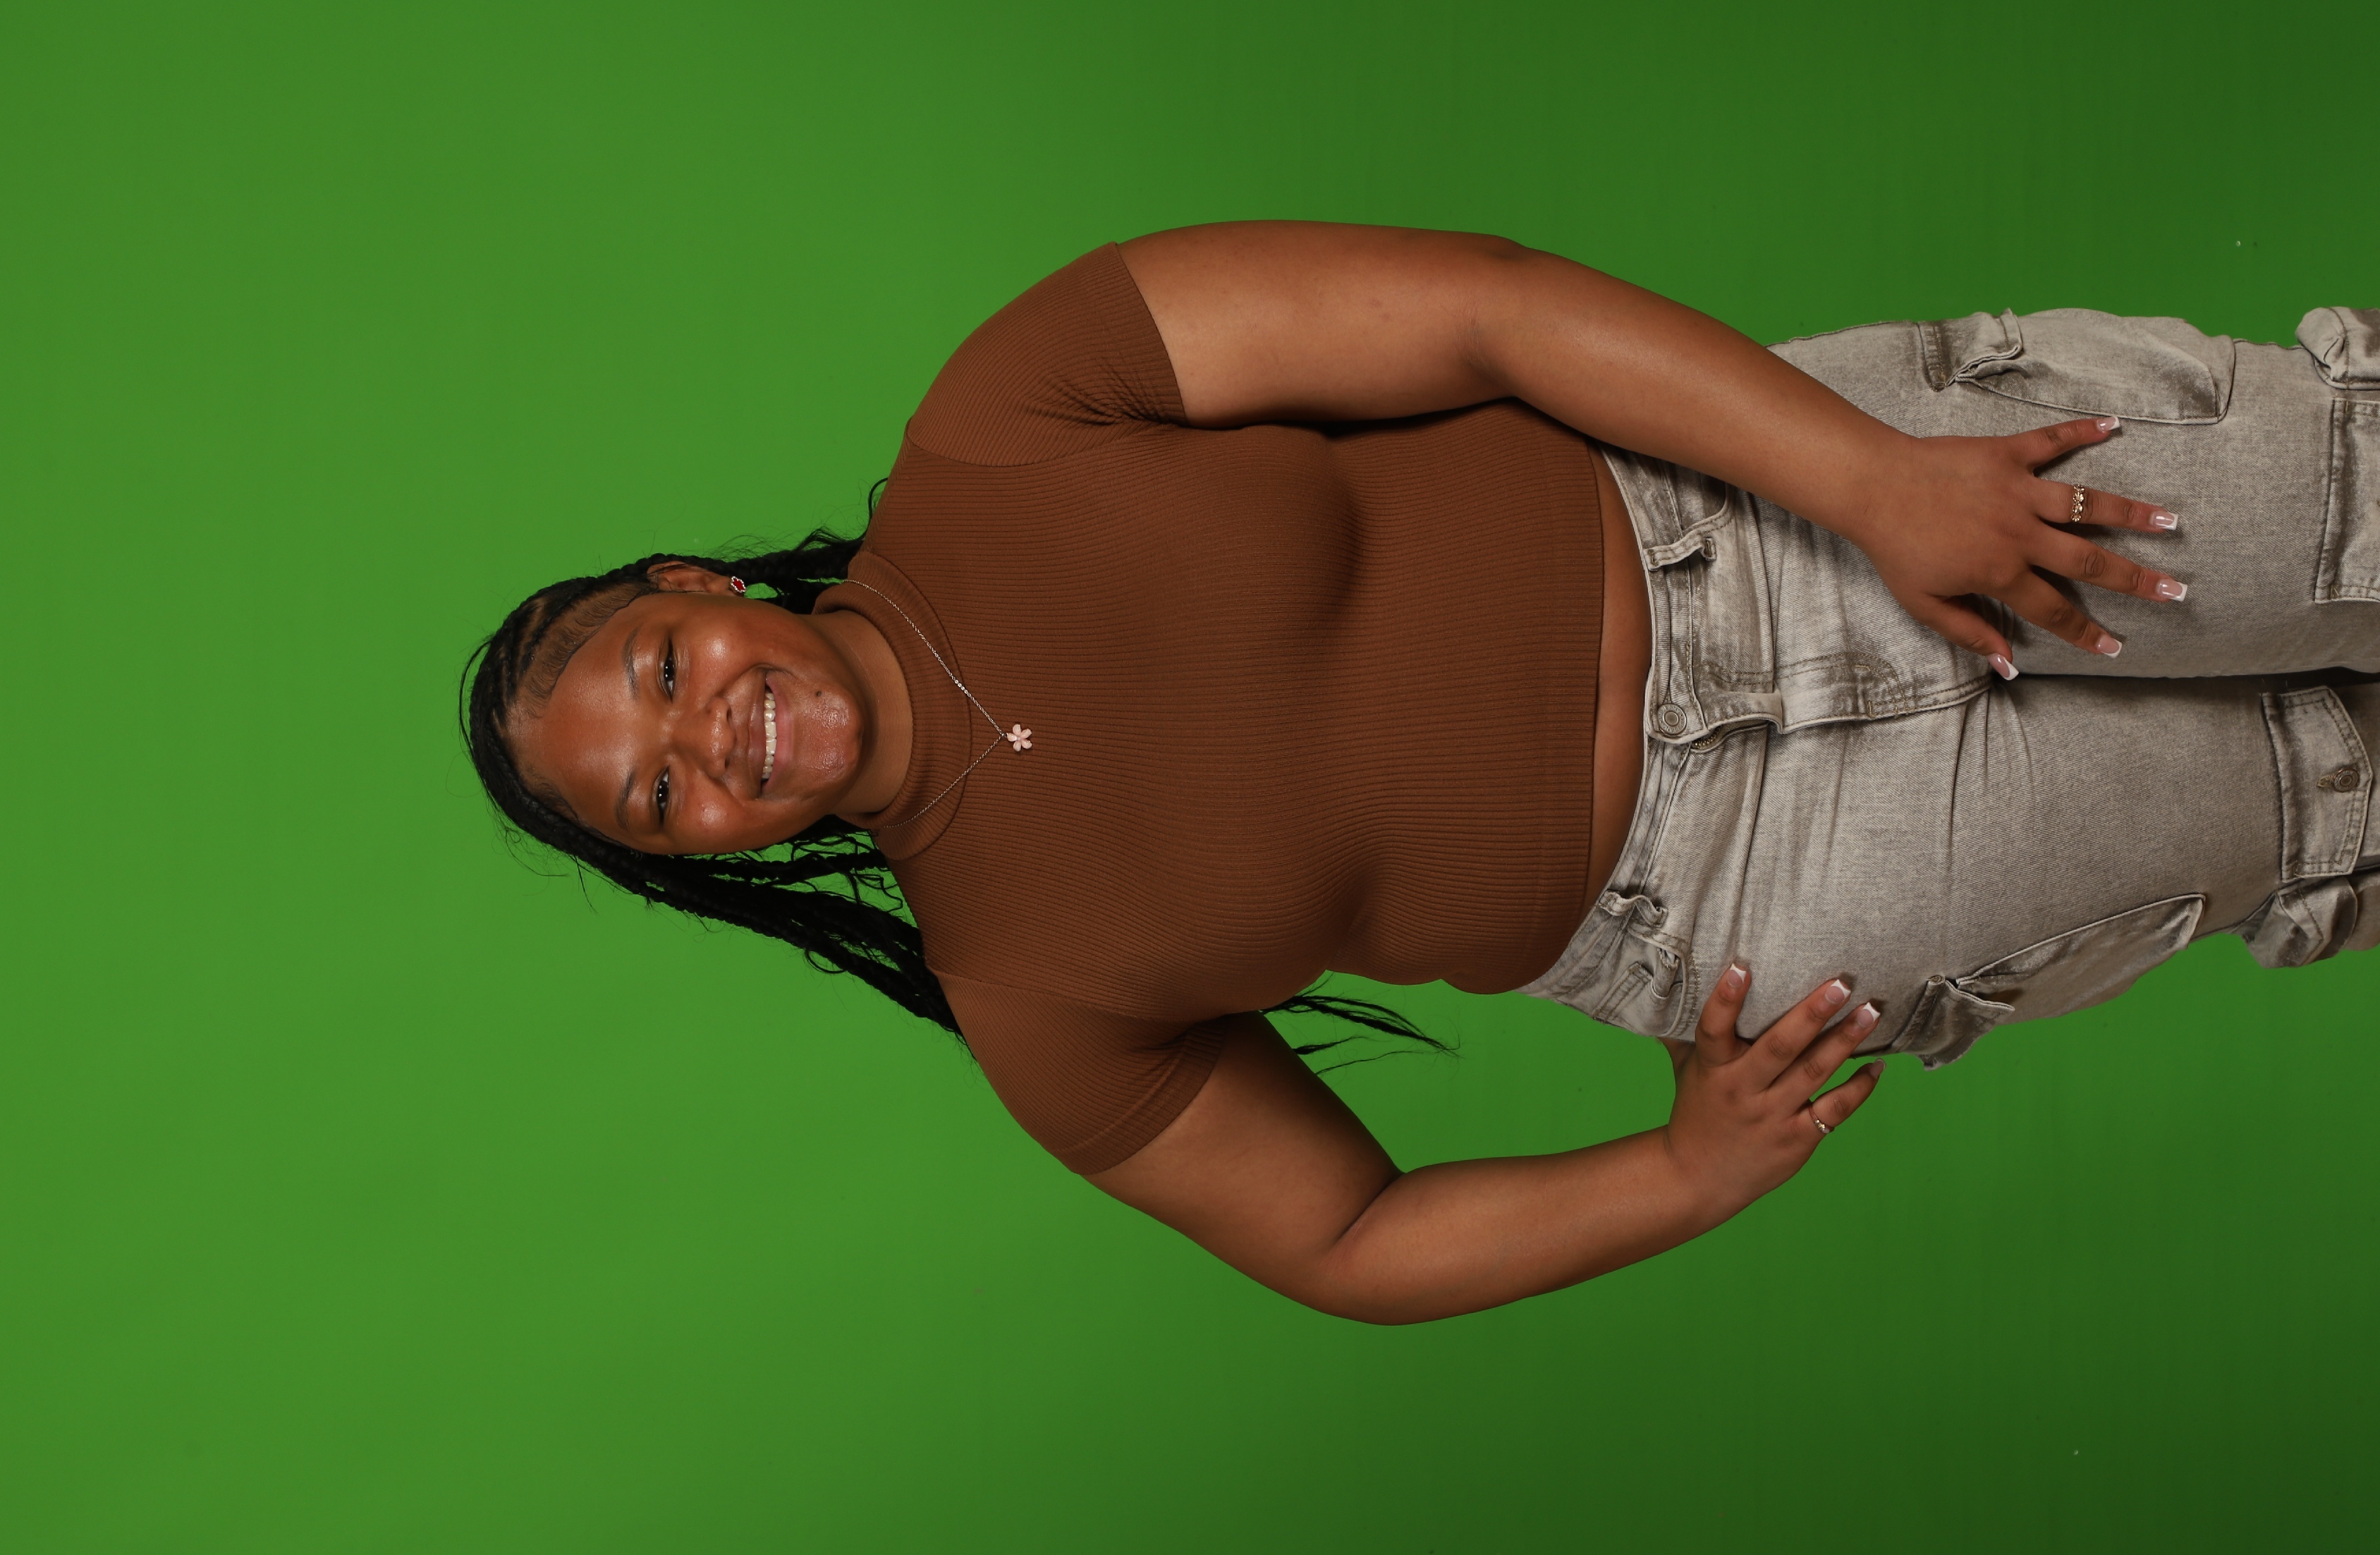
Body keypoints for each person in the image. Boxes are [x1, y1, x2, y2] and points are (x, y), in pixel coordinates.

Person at [463, 223, 2380, 1323]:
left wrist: (1868, 479)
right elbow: (1342, 1240)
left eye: (663, 673)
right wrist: (1679, 1173)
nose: (709, 739)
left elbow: (1486, 309)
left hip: (1756, 512)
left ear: (699, 587)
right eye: (660, 797)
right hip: (1755, 890)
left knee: (2354, 516)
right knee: (2340, 795)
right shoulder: (1028, 1000)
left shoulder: (1011, 409)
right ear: (706, 855)